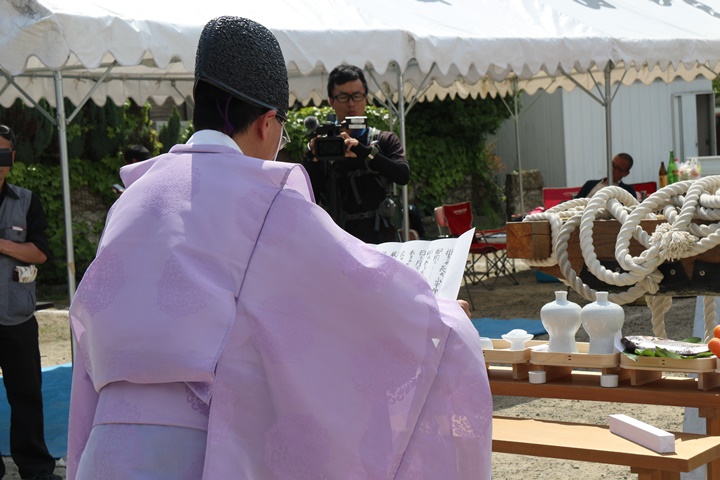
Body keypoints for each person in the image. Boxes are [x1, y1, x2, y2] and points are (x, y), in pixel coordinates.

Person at [66, 16, 491, 480]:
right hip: (193, 452)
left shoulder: (131, 199)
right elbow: (358, 293)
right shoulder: (264, 200)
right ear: (267, 122)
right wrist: (442, 318)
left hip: (104, 449)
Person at [0, 125, 59, 480]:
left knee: (26, 395)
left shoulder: (26, 200)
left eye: (2, 154)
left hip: (17, 316)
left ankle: (35, 468)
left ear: (12, 159)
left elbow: (40, 253)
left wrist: (2, 244)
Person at [303, 64, 410, 244]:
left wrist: (366, 152)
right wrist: (311, 159)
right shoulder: (323, 146)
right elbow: (308, 196)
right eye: (343, 97)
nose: (351, 103)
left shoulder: (383, 140)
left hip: (381, 241)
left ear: (366, 98)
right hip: (339, 242)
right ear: (331, 101)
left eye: (357, 96)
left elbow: (403, 175)